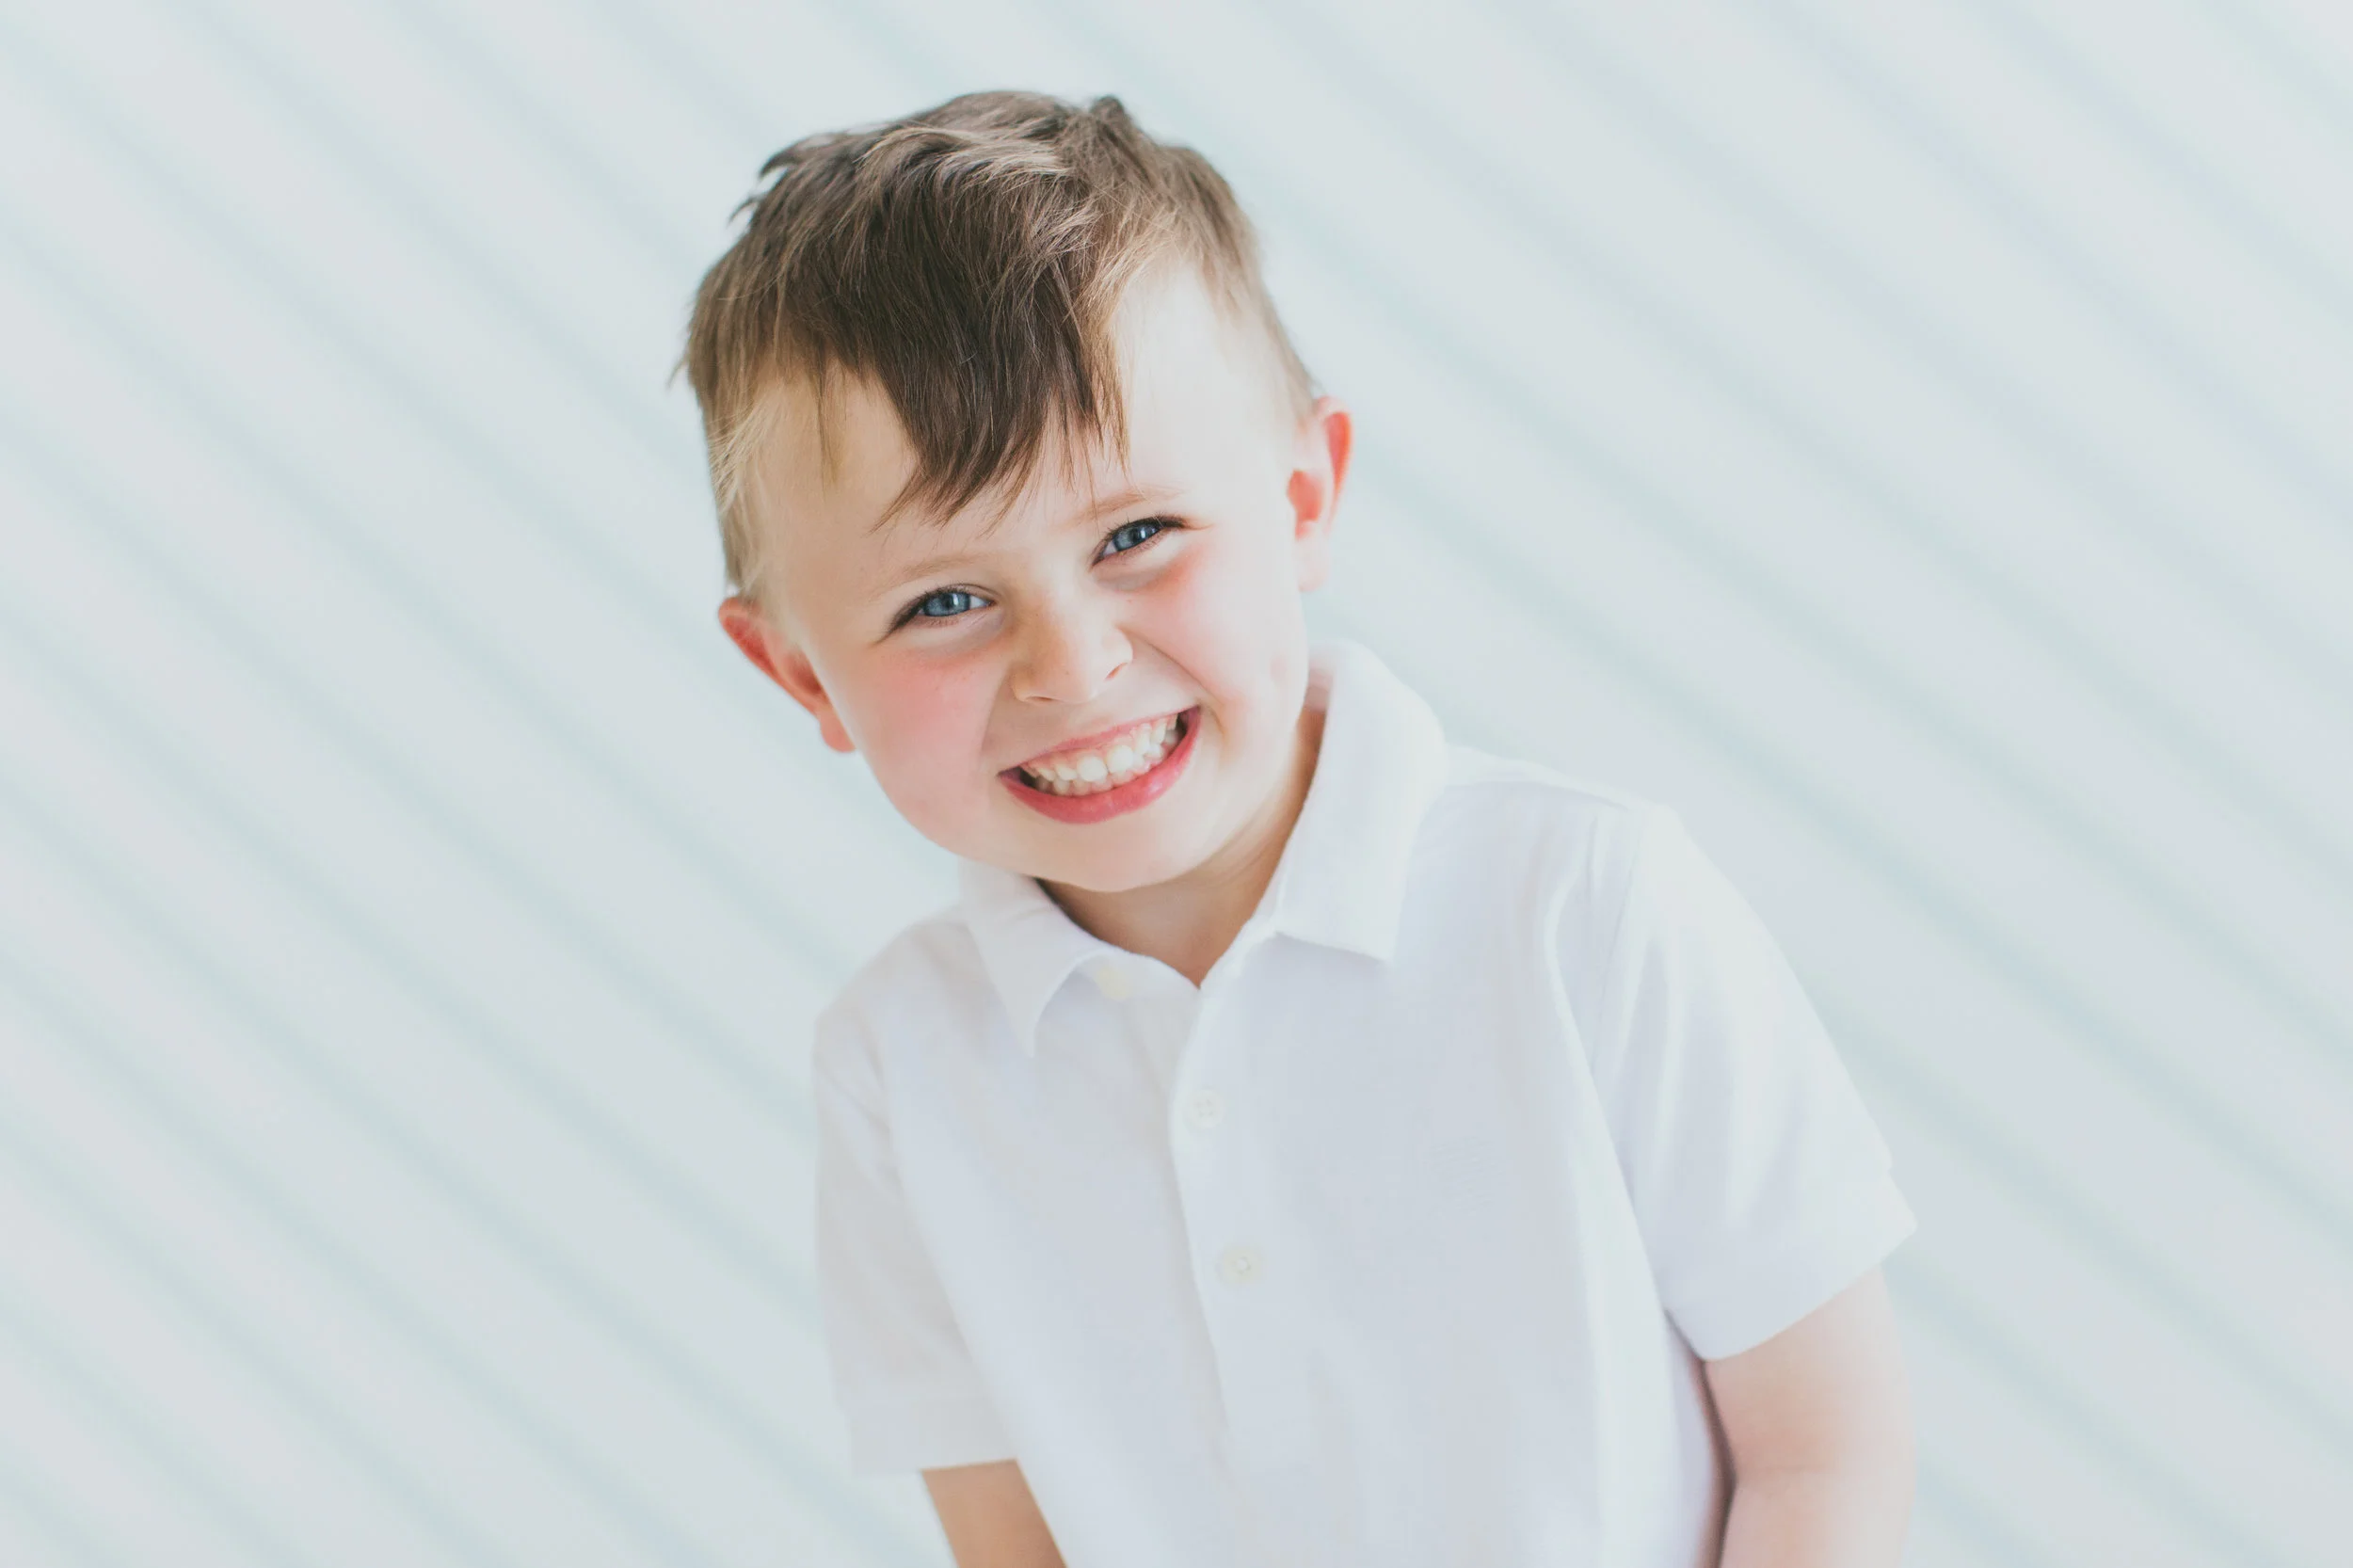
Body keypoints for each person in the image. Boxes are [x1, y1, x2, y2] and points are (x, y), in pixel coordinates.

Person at [685, 88, 1917, 1568]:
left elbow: (1824, 1455)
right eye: (945, 600)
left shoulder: (1586, 904)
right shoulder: (899, 1065)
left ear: (1304, 496)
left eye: (1136, 536)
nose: (1072, 664)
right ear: (800, 672)